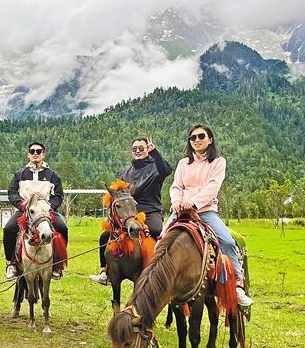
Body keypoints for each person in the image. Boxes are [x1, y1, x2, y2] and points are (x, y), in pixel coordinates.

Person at [167, 124, 253, 307]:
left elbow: (213, 186)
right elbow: (176, 186)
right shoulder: (183, 163)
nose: (196, 140)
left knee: (227, 242)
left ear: (210, 139)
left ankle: (237, 285)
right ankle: (158, 281)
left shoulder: (218, 162)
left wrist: (194, 202)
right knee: (161, 240)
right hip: (181, 210)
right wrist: (175, 201)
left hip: (205, 210)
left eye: (201, 136)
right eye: (193, 138)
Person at [89, 136, 171, 285]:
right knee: (106, 235)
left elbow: (166, 170)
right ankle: (106, 272)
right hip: (129, 213)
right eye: (134, 149)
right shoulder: (127, 172)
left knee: (155, 230)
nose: (137, 151)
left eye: (141, 148)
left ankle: (157, 271)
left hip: (150, 211)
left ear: (148, 149)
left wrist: (155, 152)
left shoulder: (156, 168)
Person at [3, 142, 68, 280]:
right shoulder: (19, 174)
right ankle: (11, 263)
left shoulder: (53, 176)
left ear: (43, 154)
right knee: (8, 229)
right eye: (32, 151)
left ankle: (57, 265)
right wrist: (22, 205)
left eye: (38, 151)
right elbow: (12, 193)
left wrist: (49, 207)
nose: (35, 154)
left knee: (62, 228)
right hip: (25, 211)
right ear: (28, 155)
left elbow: (58, 196)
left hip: (46, 211)